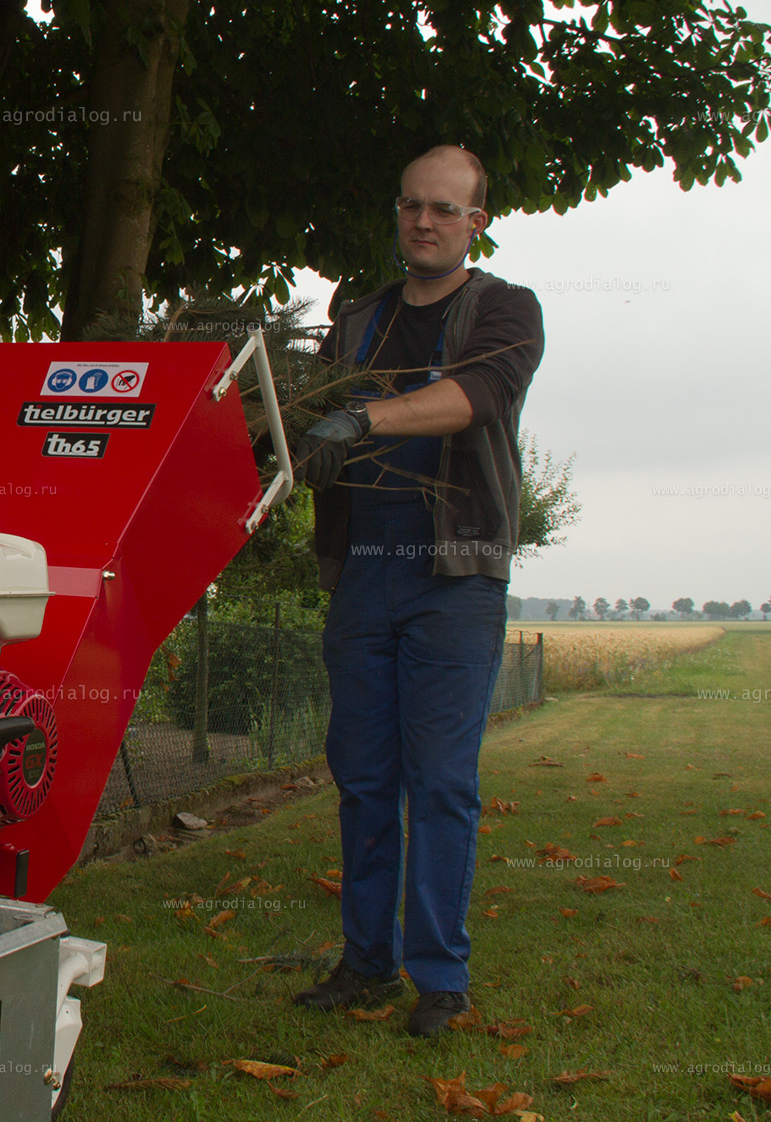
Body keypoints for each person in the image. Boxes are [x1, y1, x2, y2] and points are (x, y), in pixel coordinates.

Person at [287, 145, 544, 1038]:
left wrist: (359, 417)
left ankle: (440, 978)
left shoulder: (505, 309)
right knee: (363, 778)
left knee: (439, 782)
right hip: (363, 571)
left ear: (476, 222)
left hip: (454, 573)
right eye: (410, 206)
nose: (423, 222)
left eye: (443, 209)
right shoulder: (357, 319)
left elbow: (476, 396)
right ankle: (365, 965)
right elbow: (302, 419)